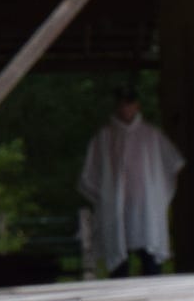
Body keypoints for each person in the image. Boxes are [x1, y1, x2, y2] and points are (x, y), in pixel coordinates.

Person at [79, 87, 185, 277]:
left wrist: (157, 195)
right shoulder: (105, 137)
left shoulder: (151, 136)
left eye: (129, 104)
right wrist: (105, 198)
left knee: (150, 258)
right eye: (121, 104)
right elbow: (91, 175)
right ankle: (121, 299)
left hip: (147, 209)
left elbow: (172, 165)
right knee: (120, 261)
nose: (125, 109)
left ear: (137, 106)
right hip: (118, 209)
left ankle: (154, 297)